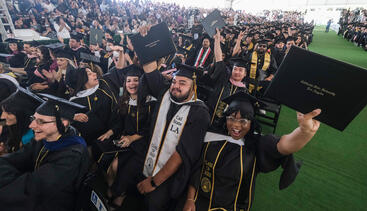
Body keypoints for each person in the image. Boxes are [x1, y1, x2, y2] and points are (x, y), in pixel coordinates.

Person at [183, 92, 321, 211]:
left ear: (252, 123)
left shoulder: (256, 145)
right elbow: (197, 169)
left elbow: (285, 145)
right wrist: (190, 199)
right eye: (231, 118)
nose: (236, 125)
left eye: (243, 120)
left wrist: (305, 131)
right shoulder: (211, 137)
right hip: (198, 203)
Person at [137, 60, 210, 210]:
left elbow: (182, 153)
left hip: (174, 173)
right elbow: (150, 71)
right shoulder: (166, 95)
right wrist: (144, 39)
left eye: (182, 83)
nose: (176, 86)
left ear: (193, 87)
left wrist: (153, 182)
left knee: (153, 203)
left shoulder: (200, 113)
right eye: (174, 81)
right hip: (149, 156)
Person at [0, 93, 89, 211]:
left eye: (41, 121)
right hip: (35, 193)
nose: (31, 125)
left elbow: (32, 187)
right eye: (33, 119)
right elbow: (15, 159)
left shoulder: (72, 155)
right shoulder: (44, 138)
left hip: (53, 203)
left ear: (63, 123)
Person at [100, 65, 156, 209]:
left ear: (141, 82)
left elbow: (151, 127)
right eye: (129, 81)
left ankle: (118, 194)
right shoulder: (124, 100)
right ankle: (115, 193)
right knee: (112, 166)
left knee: (126, 171)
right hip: (127, 142)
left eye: (136, 80)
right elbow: (119, 123)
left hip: (144, 144)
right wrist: (110, 132)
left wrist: (132, 138)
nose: (132, 84)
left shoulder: (150, 102)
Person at [0, 87, 44, 154]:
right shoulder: (14, 126)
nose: (2, 116)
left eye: (9, 113)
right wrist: (5, 151)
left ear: (24, 115)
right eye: (3, 111)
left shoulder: (34, 139)